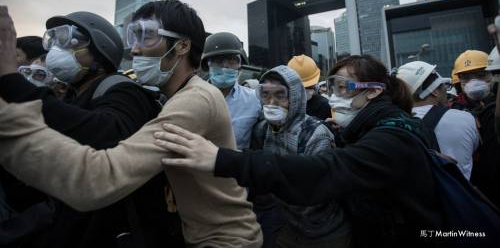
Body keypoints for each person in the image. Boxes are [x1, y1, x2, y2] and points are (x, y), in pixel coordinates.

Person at [0, 1, 263, 247]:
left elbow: (101, 178)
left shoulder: (197, 99)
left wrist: (10, 91)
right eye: (132, 37)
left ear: (182, 46)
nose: (135, 48)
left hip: (225, 240)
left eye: (146, 35)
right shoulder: (174, 96)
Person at [155, 55, 444, 248]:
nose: (333, 96)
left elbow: (322, 173)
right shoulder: (368, 129)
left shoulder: (390, 139)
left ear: (372, 91)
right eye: (331, 86)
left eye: (342, 87)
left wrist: (222, 159)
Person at [0, 7, 178, 247]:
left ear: (99, 49)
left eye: (68, 41)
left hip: (111, 230)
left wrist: (13, 82)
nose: (56, 50)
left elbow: (108, 133)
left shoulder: (122, 89)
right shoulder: (73, 95)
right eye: (52, 41)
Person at [251, 65, 350, 248]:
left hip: (323, 229)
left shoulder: (315, 133)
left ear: (295, 97)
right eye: (265, 94)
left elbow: (317, 192)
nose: (271, 102)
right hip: (287, 225)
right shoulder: (262, 130)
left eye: (280, 95)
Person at [397, 61, 479, 179]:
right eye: (444, 86)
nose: (446, 91)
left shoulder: (397, 125)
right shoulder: (465, 118)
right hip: (460, 194)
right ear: (434, 91)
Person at [452, 49, 500, 208]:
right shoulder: (454, 113)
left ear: (492, 76)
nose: (474, 82)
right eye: (466, 77)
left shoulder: (496, 108)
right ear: (459, 82)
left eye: (480, 75)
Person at [201, 32, 261, 150]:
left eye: (231, 60)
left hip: (236, 166)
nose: (225, 66)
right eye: (218, 61)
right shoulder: (192, 97)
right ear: (208, 64)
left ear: (240, 64)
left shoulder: (254, 100)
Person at [287, 54, 331, 120]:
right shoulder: (324, 104)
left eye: (308, 86)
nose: (305, 90)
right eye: (302, 87)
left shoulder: (324, 105)